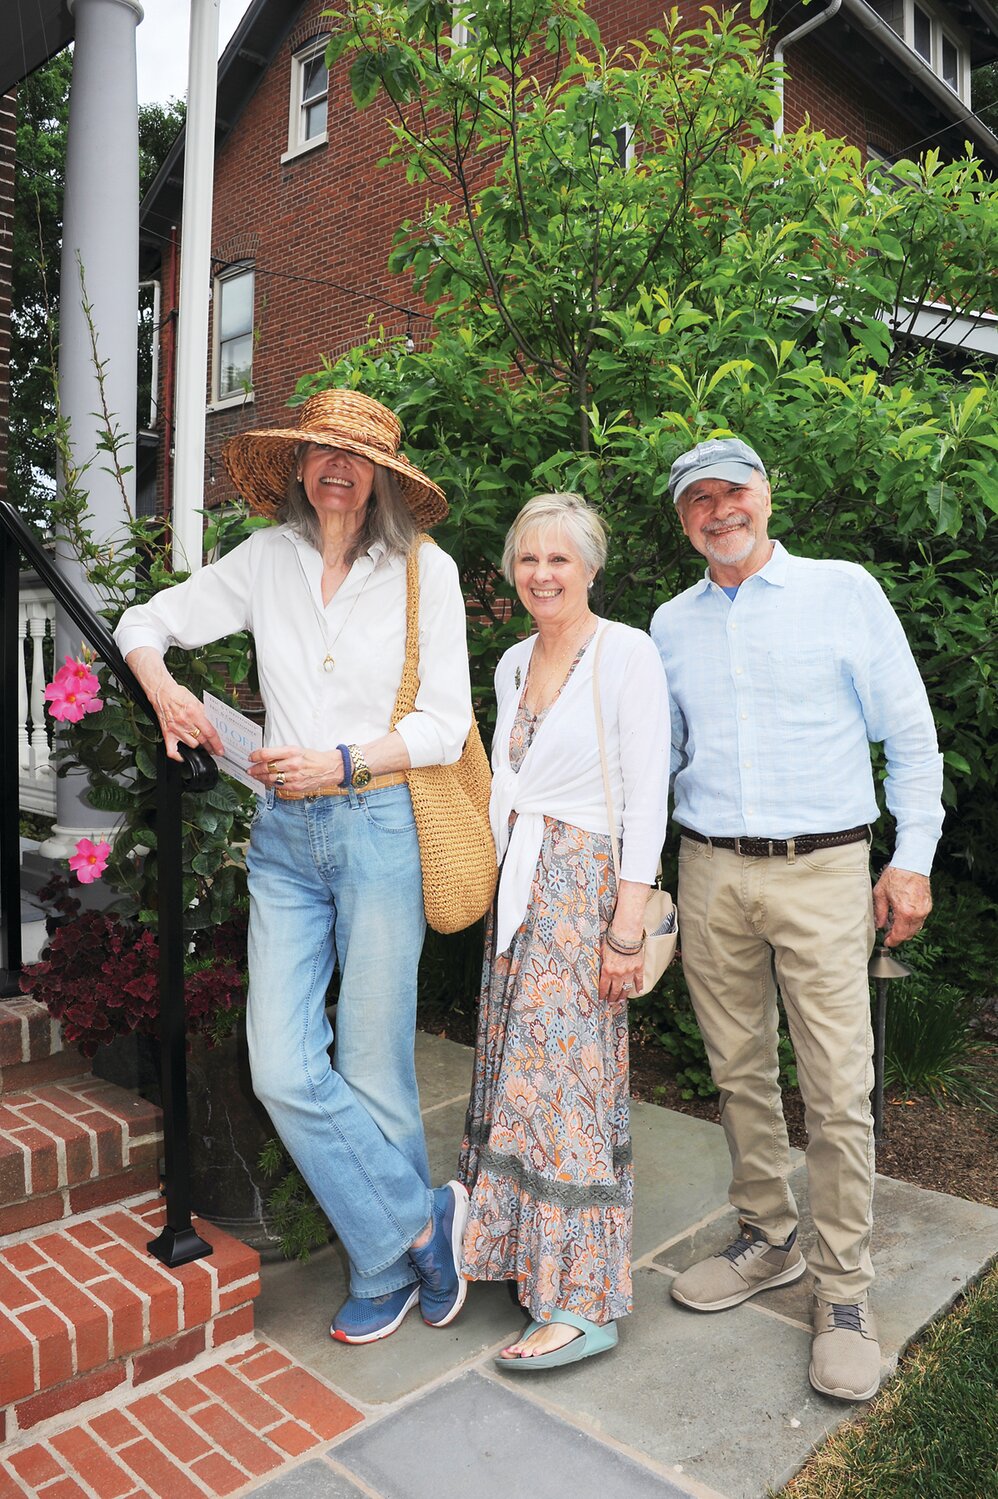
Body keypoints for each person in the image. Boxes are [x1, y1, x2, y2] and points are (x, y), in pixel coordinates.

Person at [115, 389, 475, 1345]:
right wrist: (162, 694)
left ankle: (376, 1266)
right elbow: (144, 621)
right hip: (283, 839)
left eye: (355, 457)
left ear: (385, 479)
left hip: (379, 826)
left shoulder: (421, 574)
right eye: (320, 451)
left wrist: (346, 761)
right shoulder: (267, 560)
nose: (335, 468)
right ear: (298, 465)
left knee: (370, 1060)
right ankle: (419, 1223)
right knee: (280, 1064)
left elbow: (446, 722)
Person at [650, 437, 944, 1402]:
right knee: (737, 1069)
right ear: (684, 519)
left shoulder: (842, 591)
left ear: (767, 496)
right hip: (709, 868)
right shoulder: (669, 622)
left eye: (734, 492)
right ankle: (769, 1236)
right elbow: (665, 752)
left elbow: (909, 731)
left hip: (823, 870)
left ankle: (846, 1290)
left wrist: (910, 860)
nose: (718, 511)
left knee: (836, 1082)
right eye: (699, 501)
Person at [459, 493, 670, 1370]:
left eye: (560, 559)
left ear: (591, 566)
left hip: (587, 889)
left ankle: (584, 1299)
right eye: (528, 559)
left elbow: (648, 795)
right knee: (518, 1074)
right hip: (518, 884)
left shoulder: (627, 654)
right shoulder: (512, 662)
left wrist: (625, 928)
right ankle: (520, 1254)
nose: (542, 574)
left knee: (573, 1086)